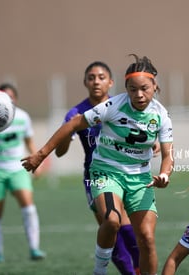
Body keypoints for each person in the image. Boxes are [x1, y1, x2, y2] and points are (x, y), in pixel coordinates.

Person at [21, 54, 174, 275]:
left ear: (154, 86)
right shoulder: (113, 105)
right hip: (106, 172)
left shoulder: (161, 115)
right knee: (112, 221)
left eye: (144, 88)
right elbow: (74, 123)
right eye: (132, 89)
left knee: (147, 239)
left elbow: (168, 154)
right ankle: (99, 271)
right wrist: (41, 154)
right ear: (125, 88)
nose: (138, 94)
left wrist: (165, 175)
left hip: (140, 177)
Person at [54, 61, 141, 275]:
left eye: (101, 77)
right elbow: (60, 152)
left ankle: (141, 270)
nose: (96, 81)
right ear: (85, 82)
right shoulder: (77, 113)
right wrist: (68, 132)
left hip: (124, 173)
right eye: (91, 77)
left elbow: (140, 134)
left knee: (131, 230)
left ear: (111, 82)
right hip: (96, 177)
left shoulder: (122, 106)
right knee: (111, 226)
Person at [0, 83, 46, 262]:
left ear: (15, 100)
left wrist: (37, 162)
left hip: (17, 168)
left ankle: (34, 248)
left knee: (28, 207)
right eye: (3, 96)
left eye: (10, 97)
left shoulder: (23, 117)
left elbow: (30, 142)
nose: (7, 100)